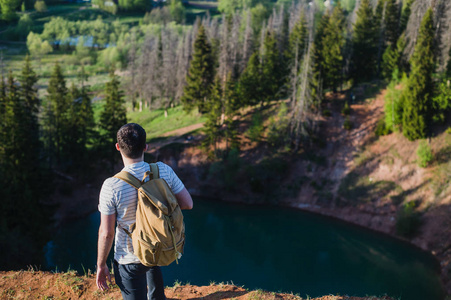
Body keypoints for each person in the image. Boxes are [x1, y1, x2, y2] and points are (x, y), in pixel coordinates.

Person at [96, 123, 193, 300]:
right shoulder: (163, 170)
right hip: (157, 247)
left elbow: (106, 233)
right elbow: (188, 203)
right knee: (153, 280)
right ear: (145, 147)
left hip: (129, 258)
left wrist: (101, 265)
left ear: (118, 147)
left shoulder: (111, 186)